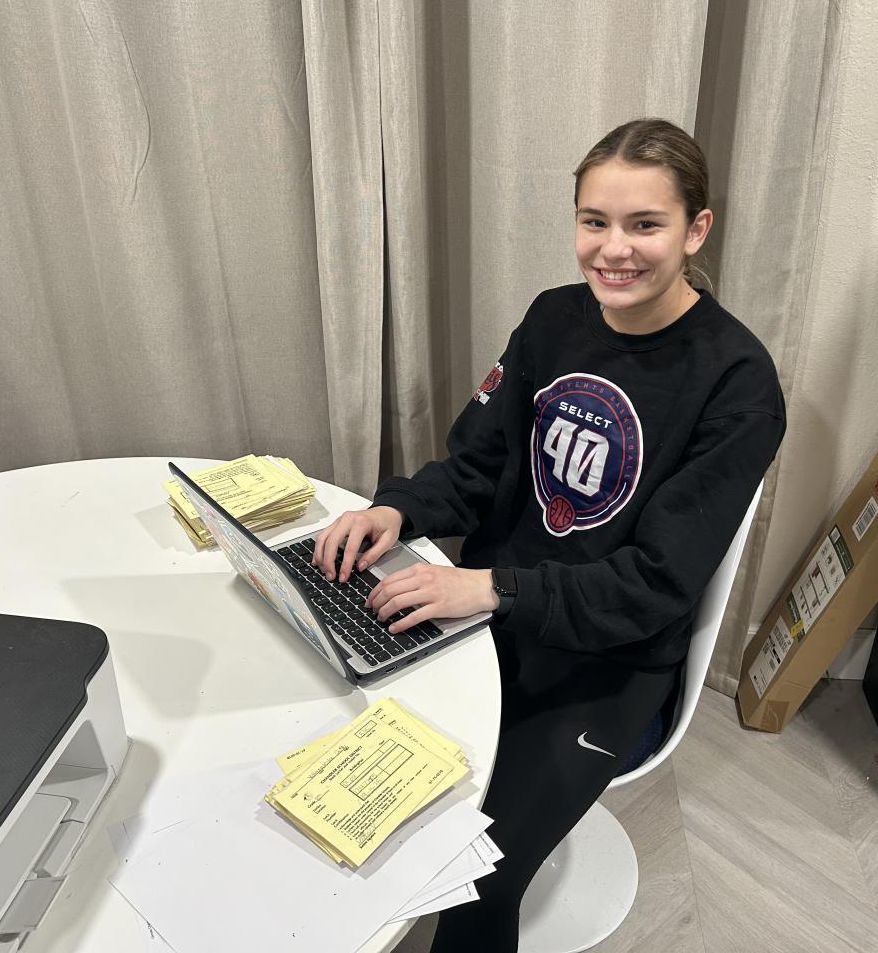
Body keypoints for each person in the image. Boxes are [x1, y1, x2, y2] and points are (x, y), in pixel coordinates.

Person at [312, 117, 786, 952]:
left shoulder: (737, 383)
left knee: (473, 878)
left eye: (645, 224)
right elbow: (476, 464)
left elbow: (654, 586)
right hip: (493, 617)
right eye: (595, 221)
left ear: (696, 229)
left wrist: (490, 587)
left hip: (607, 663)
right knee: (334, 763)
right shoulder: (553, 319)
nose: (615, 249)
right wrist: (398, 510)